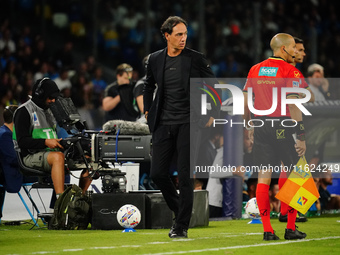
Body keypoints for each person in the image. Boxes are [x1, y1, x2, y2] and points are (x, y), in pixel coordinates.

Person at [143, 16, 217, 238]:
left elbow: (212, 87)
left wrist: (210, 112)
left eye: (185, 34)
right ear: (167, 36)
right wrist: (147, 110)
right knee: (157, 173)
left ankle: (181, 225)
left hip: (189, 123)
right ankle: (181, 208)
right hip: (162, 124)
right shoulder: (155, 59)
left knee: (185, 175)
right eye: (178, 34)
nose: (183, 38)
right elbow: (148, 85)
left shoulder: (195, 59)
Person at [243, 33, 308, 241]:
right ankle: (290, 228)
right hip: (283, 124)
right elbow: (293, 104)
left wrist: (249, 125)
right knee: (294, 176)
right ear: (284, 49)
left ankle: (268, 231)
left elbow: (246, 101)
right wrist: (301, 135)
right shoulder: (291, 71)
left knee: (264, 177)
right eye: (293, 48)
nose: (296, 52)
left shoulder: (255, 69)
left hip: (261, 125)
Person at [13, 78, 91, 197]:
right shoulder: (23, 111)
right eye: (50, 97)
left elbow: (65, 129)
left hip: (53, 152)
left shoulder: (52, 110)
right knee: (58, 157)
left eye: (55, 97)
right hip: (30, 156)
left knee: (89, 160)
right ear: (39, 95)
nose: (53, 100)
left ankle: (79, 198)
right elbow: (22, 141)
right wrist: (45, 142)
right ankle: (60, 200)